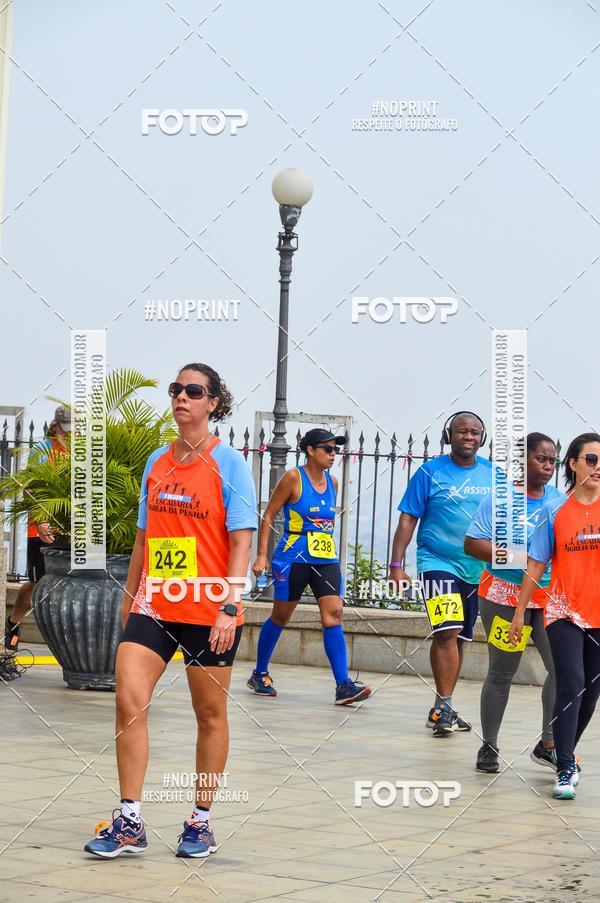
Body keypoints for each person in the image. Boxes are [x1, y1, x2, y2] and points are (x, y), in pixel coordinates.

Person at [84, 363, 257, 858]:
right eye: (176, 389)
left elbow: (241, 539)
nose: (182, 396)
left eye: (193, 390)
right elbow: (143, 537)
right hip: (156, 604)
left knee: (209, 714)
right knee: (128, 700)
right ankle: (130, 820)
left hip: (209, 608)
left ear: (213, 403)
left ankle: (200, 821)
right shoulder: (157, 462)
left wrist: (230, 603)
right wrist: (130, 596)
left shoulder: (230, 463)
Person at [247, 428, 371, 705]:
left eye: (335, 450)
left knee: (334, 614)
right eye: (327, 449)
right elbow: (269, 515)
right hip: (293, 558)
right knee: (280, 616)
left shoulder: (333, 483)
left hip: (325, 558)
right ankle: (259, 672)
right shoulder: (293, 477)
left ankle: (343, 685)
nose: (333, 455)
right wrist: (262, 555)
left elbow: (327, 521)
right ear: (310, 450)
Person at [509, 432, 600, 801]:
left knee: (592, 692)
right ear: (573, 464)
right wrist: (518, 614)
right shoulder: (555, 511)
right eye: (591, 459)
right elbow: (536, 564)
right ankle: (564, 765)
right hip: (563, 610)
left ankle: (562, 750)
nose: (598, 467)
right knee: (571, 683)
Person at [389, 412, 492, 736]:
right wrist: (396, 565)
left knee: (460, 636)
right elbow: (408, 518)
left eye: (475, 432)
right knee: (446, 632)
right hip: (436, 563)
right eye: (462, 431)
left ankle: (441, 704)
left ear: (482, 438)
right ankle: (444, 706)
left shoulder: (494, 475)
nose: (469, 437)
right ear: (449, 435)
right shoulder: (429, 472)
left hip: (477, 569)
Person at [464, 433, 562, 773]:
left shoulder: (558, 501)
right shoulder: (500, 499)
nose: (548, 466)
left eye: (552, 461)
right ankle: (489, 746)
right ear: (523, 461)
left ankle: (548, 743)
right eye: (541, 459)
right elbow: (472, 544)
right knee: (502, 673)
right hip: (503, 595)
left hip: (549, 598)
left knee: (561, 671)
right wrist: (518, 556)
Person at [4, 406, 71, 651]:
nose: (70, 435)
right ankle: (13, 623)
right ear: (55, 428)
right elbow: (29, 488)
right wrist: (41, 520)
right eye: (66, 430)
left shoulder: (78, 452)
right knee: (35, 583)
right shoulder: (42, 451)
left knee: (69, 582)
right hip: (41, 530)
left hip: (67, 529)